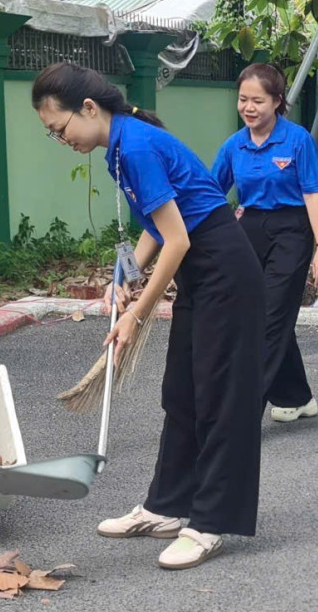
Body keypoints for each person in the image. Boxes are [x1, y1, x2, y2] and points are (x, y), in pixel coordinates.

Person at [32, 62, 265, 570]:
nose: (62, 139)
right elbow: (159, 227)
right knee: (182, 390)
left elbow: (178, 238)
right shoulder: (118, 147)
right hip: (201, 271)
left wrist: (137, 312)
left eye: (60, 128)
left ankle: (208, 521)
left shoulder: (134, 146)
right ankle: (167, 505)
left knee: (219, 397)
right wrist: (127, 275)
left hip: (223, 268)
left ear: (88, 109)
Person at [211, 63, 318, 422]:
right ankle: (296, 395)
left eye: (258, 101)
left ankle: (242, 413)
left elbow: (312, 196)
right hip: (249, 230)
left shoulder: (297, 140)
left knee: (268, 316)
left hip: (292, 231)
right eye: (243, 99)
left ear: (278, 101)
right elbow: (210, 194)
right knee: (260, 315)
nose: (249, 108)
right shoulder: (234, 146)